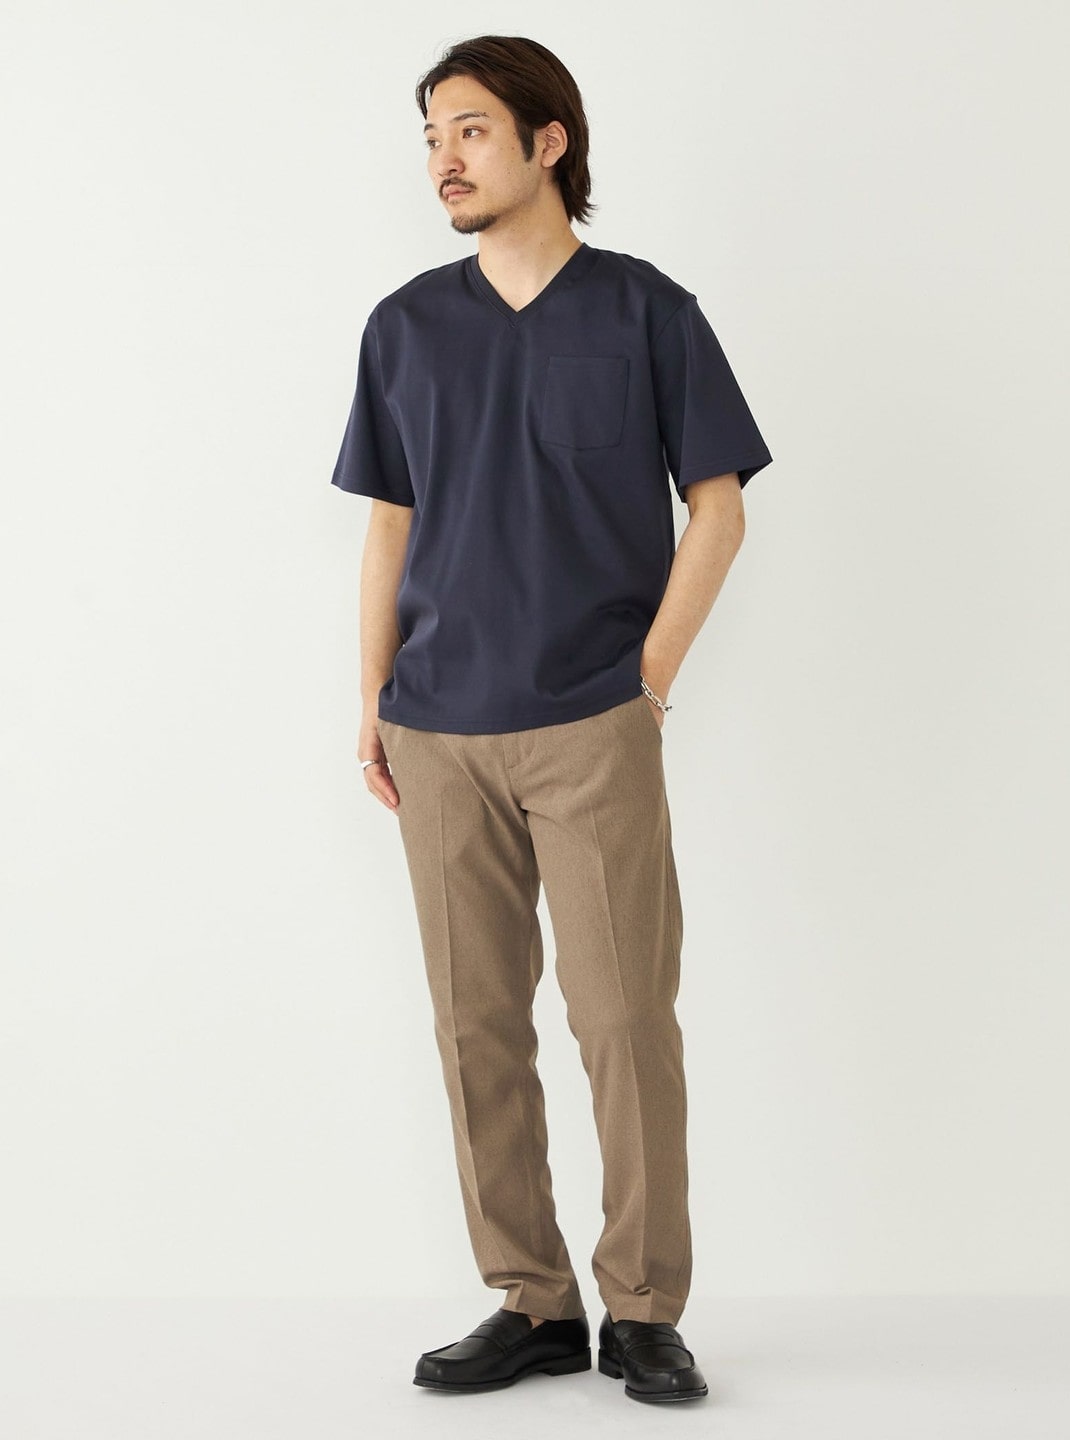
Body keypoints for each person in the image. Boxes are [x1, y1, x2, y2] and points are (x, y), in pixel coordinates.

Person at [330, 34, 772, 1404]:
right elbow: (390, 525)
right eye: (430, 137)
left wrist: (647, 680)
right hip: (437, 725)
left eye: (469, 130)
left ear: (548, 141)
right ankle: (530, 1299)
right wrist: (372, 699)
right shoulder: (405, 328)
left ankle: (642, 1306)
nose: (442, 160)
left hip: (591, 721)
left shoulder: (646, 312)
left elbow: (718, 507)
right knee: (476, 1024)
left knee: (623, 1017)